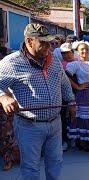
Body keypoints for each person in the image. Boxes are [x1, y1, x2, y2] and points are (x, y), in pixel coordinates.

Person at [0, 23, 75, 180]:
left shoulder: (53, 59)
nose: (48, 46)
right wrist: (3, 97)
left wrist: (71, 101)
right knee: (31, 167)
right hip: (29, 126)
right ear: (29, 41)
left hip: (55, 123)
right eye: (43, 42)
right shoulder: (11, 62)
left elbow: (64, 82)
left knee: (56, 162)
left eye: (50, 42)